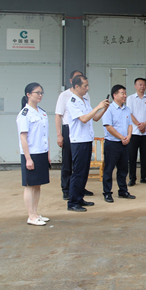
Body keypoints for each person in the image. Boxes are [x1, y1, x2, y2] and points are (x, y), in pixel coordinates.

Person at [66, 75, 109, 212]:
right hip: (78, 141)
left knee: (84, 172)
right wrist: (98, 107)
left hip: (87, 140)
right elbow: (84, 119)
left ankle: (79, 198)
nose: (87, 88)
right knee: (78, 172)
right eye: (85, 86)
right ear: (76, 86)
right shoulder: (72, 102)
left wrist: (104, 109)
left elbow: (94, 118)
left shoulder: (84, 101)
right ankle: (73, 202)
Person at [55, 70, 93, 200]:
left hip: (83, 131)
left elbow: (89, 115)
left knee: (82, 165)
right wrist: (59, 134)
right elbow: (58, 115)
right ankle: (67, 189)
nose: (87, 88)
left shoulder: (85, 96)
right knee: (68, 161)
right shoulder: (65, 96)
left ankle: (79, 190)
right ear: (73, 82)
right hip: (69, 128)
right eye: (84, 85)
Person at [16, 83, 51, 226]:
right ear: (28, 95)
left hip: (41, 152)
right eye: (37, 92)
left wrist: (48, 154)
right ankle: (31, 216)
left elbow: (45, 135)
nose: (40, 95)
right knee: (30, 185)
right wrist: (28, 158)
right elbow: (23, 138)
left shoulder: (41, 112)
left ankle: (36, 213)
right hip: (32, 154)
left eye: (41, 93)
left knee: (37, 185)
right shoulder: (25, 114)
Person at [102, 85, 136, 203]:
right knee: (109, 169)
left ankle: (123, 191)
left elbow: (130, 124)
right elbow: (108, 127)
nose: (125, 96)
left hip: (124, 144)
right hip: (112, 143)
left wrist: (129, 136)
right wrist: (121, 137)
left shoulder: (127, 109)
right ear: (115, 95)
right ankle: (107, 193)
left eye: (125, 93)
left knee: (123, 169)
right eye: (122, 93)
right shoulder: (109, 109)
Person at [126, 78, 146, 186]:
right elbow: (129, 113)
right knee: (132, 156)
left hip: (145, 132)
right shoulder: (130, 98)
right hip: (134, 132)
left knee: (144, 155)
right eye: (140, 84)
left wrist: (145, 124)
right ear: (135, 86)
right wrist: (139, 125)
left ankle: (144, 177)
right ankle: (132, 178)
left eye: (144, 84)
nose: (142, 86)